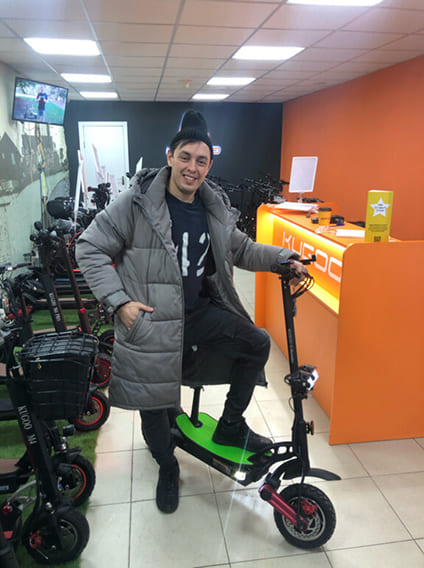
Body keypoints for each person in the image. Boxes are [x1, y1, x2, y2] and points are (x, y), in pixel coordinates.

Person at [75, 110, 309, 515]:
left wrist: (283, 258)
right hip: (150, 321)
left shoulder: (212, 206)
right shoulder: (135, 203)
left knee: (256, 342)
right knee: (155, 405)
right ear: (170, 156)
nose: (192, 167)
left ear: (209, 166)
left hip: (198, 314)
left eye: (201, 160)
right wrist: (120, 302)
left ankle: (230, 425)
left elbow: (241, 248)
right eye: (185, 157)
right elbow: (89, 247)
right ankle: (167, 466)